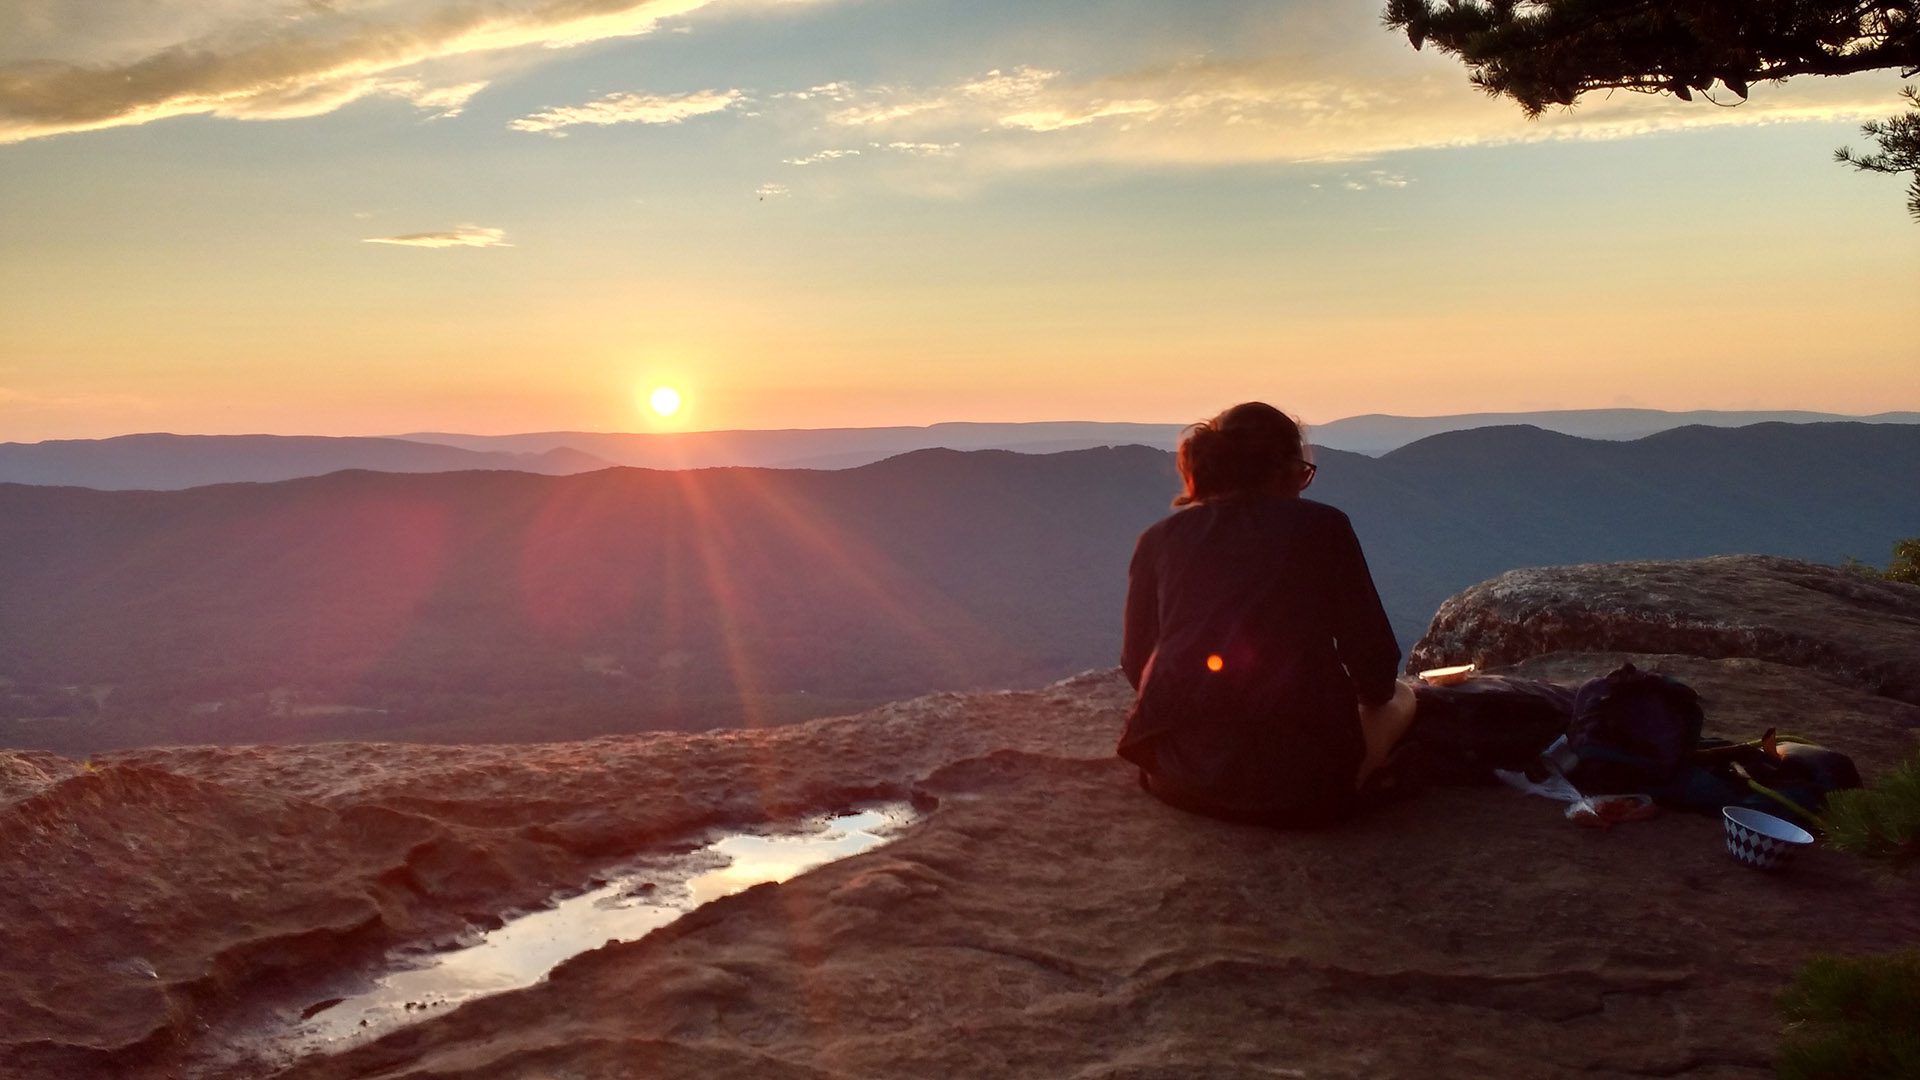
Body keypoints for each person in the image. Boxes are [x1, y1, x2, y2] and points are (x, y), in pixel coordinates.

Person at [1118, 402, 1416, 826]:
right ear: (1281, 470)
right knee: (1404, 697)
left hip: (1180, 780)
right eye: (1301, 473)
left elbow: (1136, 663)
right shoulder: (1323, 527)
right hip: (1300, 791)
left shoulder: (1158, 539)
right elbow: (1374, 667)